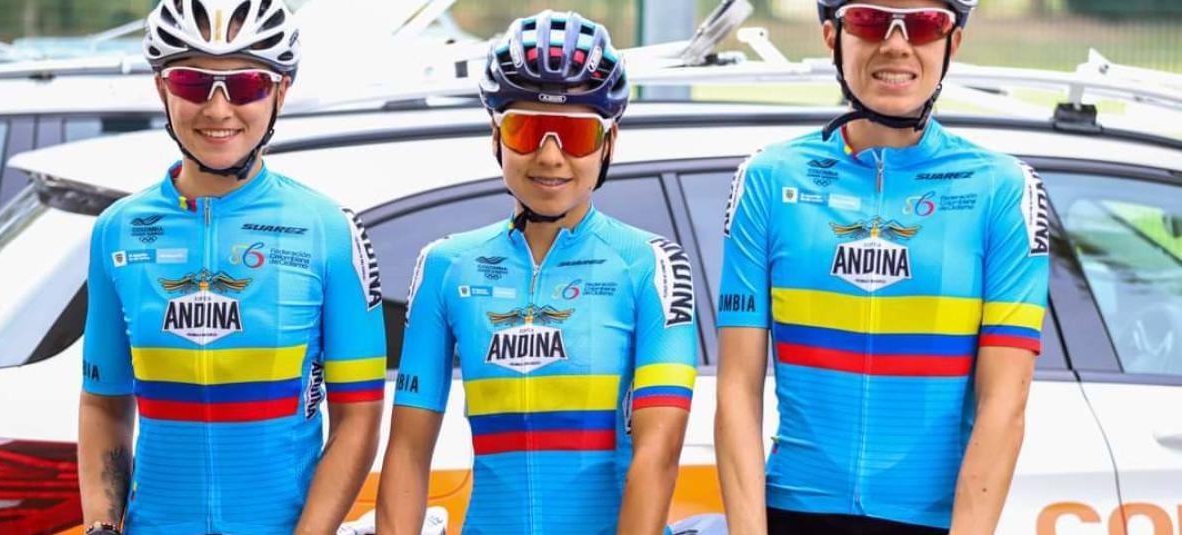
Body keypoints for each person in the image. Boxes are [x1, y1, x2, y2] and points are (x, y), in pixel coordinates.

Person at [715, 1, 1049, 534]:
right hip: (794, 509)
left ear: (953, 43)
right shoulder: (768, 179)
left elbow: (1005, 403)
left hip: (934, 521)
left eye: (923, 23)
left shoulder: (1002, 190)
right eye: (870, 20)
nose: (896, 44)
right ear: (832, 36)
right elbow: (736, 387)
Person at [375, 11, 698, 535]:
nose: (550, 156)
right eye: (525, 130)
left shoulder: (651, 265)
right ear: (495, 135)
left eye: (575, 134)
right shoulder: (444, 266)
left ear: (609, 142)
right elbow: (408, 450)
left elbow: (658, 454)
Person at [77, 1, 387, 533]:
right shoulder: (116, 230)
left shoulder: (329, 229)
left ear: (280, 92)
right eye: (193, 83)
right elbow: (103, 405)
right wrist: (101, 527)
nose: (218, 110)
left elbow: (358, 419)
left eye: (246, 85)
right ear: (162, 88)